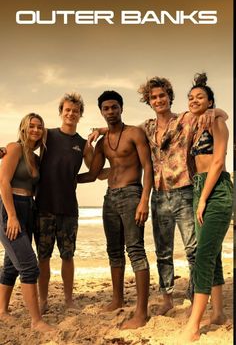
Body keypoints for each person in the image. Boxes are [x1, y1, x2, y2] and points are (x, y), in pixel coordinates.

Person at [89, 77, 228, 316]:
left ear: (169, 97)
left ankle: (196, 296)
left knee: (193, 249)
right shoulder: (147, 127)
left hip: (184, 191)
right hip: (159, 194)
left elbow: (220, 115)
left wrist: (217, 112)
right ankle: (167, 298)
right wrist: (102, 130)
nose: (158, 100)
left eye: (162, 96)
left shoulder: (186, 118)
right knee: (163, 252)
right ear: (148, 101)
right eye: (153, 97)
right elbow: (123, 129)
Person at [77, 90, 153, 329]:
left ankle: (141, 312)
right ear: (101, 112)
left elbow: (148, 168)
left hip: (132, 194)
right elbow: (93, 174)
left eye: (114, 107)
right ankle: (117, 299)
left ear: (121, 108)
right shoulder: (102, 143)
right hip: (110, 197)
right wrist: (64, 178)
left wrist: (144, 201)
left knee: (135, 250)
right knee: (113, 250)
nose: (110, 111)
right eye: (106, 108)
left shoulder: (134, 133)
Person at [34, 93, 106, 314]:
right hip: (43, 208)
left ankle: (68, 300)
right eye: (67, 110)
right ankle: (43, 300)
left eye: (75, 111)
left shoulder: (83, 145)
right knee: (43, 257)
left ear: (80, 115)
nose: (71, 114)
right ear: (61, 112)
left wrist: (109, 166)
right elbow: (24, 146)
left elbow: (94, 172)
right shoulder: (47, 135)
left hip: (69, 209)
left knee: (68, 256)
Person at [180, 73, 233, 342]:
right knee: (210, 254)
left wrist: (202, 198)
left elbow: (218, 161)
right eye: (190, 97)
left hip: (217, 190)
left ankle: (194, 324)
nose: (194, 100)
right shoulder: (195, 124)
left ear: (210, 101)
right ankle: (219, 314)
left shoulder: (216, 121)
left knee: (202, 256)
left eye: (200, 97)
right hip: (200, 188)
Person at [0, 113, 53, 332]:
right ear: (24, 127)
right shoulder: (14, 148)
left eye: (40, 127)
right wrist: (11, 215)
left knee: (12, 264)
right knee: (30, 266)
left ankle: (1, 311)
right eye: (31, 126)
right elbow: (3, 181)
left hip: (28, 208)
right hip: (9, 207)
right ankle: (36, 321)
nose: (36, 130)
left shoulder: (36, 157)